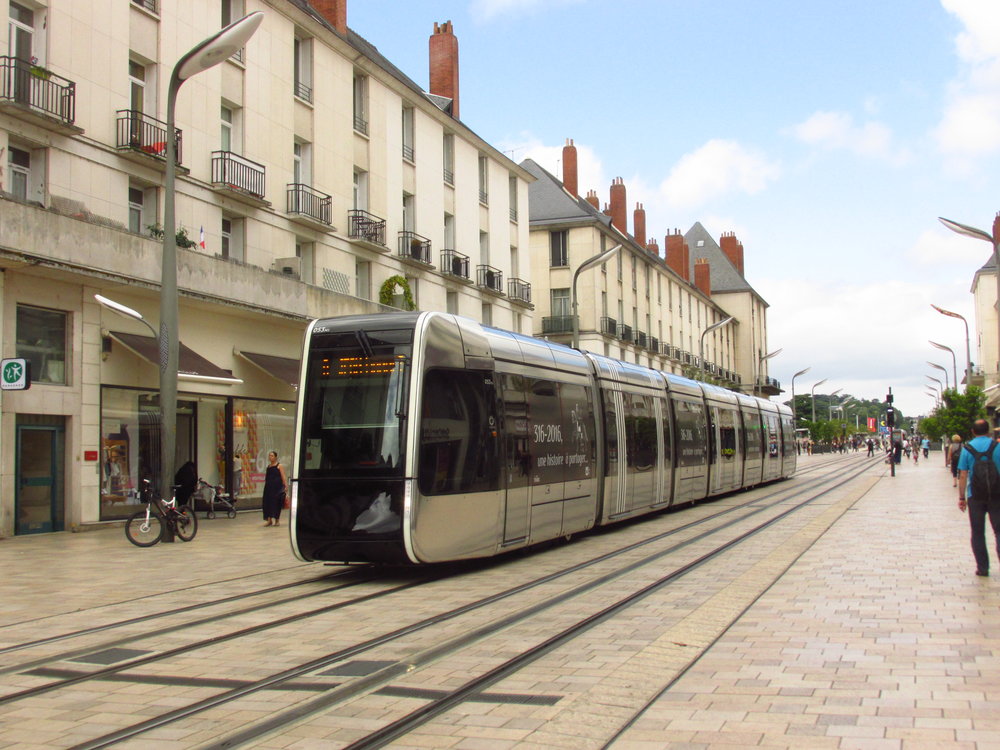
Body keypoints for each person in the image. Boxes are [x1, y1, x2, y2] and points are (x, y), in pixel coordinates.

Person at [956, 419, 1000, 577]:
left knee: (978, 532)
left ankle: (982, 568)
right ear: (988, 431)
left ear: (973, 432)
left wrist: (962, 498)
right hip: (997, 494)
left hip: (975, 496)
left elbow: (963, 475)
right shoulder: (997, 446)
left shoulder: (967, 449)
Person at [262, 451, 288, 527]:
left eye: (272, 456)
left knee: (276, 503)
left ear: (275, 457)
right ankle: (269, 520)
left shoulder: (279, 466)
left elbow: (283, 476)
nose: (270, 457)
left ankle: (277, 520)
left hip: (277, 487)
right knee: (268, 503)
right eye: (269, 456)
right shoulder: (268, 466)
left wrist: (285, 486)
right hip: (269, 487)